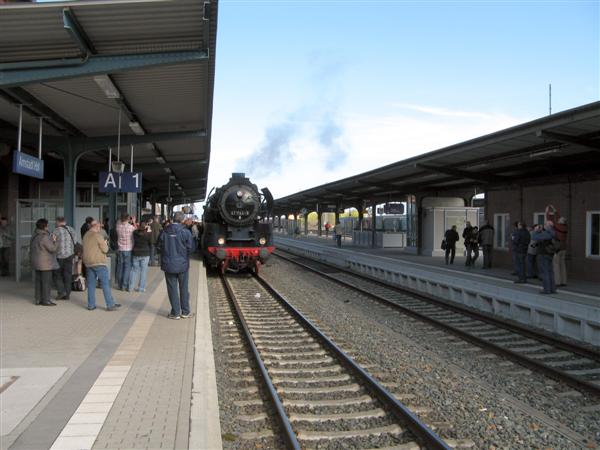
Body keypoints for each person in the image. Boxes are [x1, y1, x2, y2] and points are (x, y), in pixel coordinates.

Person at [158, 211, 194, 319]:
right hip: (183, 265)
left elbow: (159, 247)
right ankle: (186, 312)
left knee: (172, 288)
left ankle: (175, 312)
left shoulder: (164, 232)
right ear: (182, 220)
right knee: (184, 288)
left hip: (168, 264)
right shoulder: (186, 232)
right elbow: (191, 248)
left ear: (172, 219)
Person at [82, 219, 120, 311]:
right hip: (99, 262)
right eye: (100, 227)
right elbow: (105, 250)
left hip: (88, 263)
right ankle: (110, 304)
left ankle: (91, 305)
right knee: (105, 284)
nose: (100, 229)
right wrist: (105, 243)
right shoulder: (97, 236)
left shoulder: (86, 235)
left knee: (91, 285)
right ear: (96, 226)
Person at [30, 218, 58, 306]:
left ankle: (38, 299)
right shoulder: (45, 237)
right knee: (46, 282)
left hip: (36, 262)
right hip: (45, 263)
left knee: (38, 281)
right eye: (47, 225)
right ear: (45, 226)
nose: (48, 227)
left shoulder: (34, 235)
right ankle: (46, 300)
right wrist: (55, 241)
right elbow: (52, 249)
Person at [52, 217, 76, 300]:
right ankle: (67, 294)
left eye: (56, 222)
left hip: (59, 256)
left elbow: (52, 243)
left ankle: (61, 292)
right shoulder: (71, 230)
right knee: (68, 275)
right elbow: (75, 242)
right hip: (70, 255)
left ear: (58, 222)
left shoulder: (56, 230)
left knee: (57, 274)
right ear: (65, 222)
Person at [531, 220, 557, 294]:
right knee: (550, 271)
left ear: (548, 226)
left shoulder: (546, 233)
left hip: (543, 254)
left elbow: (534, 237)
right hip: (550, 254)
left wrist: (536, 230)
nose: (544, 225)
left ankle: (547, 289)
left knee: (545, 272)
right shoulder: (553, 232)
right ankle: (552, 289)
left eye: (545, 224)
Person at [129, 221, 152, 292]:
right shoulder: (148, 234)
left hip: (136, 253)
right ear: (145, 227)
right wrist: (149, 230)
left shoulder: (134, 233)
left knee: (134, 270)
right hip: (145, 253)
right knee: (143, 271)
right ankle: (141, 288)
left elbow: (136, 230)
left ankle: (131, 287)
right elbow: (151, 242)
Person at [116, 213, 136, 291]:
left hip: (120, 249)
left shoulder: (118, 227)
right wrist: (133, 221)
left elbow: (119, 222)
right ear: (128, 219)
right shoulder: (131, 227)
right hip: (128, 249)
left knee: (120, 267)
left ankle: (120, 284)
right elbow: (138, 230)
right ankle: (124, 285)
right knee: (127, 267)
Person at [553, 215, 568, 287]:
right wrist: (555, 211)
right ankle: (564, 281)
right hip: (564, 248)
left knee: (556, 265)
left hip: (557, 249)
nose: (558, 220)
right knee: (562, 265)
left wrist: (547, 212)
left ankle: (557, 282)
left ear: (561, 222)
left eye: (559, 220)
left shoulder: (558, 226)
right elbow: (558, 217)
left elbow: (550, 219)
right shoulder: (565, 227)